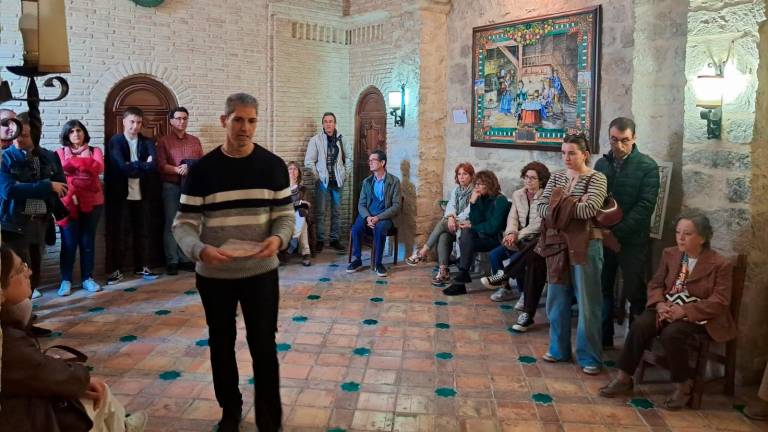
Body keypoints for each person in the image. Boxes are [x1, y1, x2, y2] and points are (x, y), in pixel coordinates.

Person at [173, 93, 293, 432]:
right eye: (238, 119)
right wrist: (199, 250)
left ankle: (269, 419)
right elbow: (183, 224)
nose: (245, 127)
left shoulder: (273, 166)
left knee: (264, 346)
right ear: (224, 120)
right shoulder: (202, 171)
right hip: (215, 274)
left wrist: (278, 239)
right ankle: (230, 409)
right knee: (221, 344)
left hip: (260, 272)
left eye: (252, 120)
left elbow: (284, 216)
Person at [0, 244, 148, 431]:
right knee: (95, 396)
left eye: (25, 265)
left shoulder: (10, 323)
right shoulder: (7, 340)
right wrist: (82, 380)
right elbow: (42, 371)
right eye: (20, 269)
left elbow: (35, 368)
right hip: (19, 414)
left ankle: (123, 426)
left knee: (92, 393)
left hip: (23, 397)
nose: (28, 272)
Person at [599, 212, 737, 410]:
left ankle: (683, 385)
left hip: (699, 315)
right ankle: (624, 378)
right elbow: (655, 284)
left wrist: (685, 311)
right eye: (678, 232)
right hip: (668, 306)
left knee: (672, 334)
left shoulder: (720, 264)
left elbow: (720, 301)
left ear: (702, 238)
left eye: (687, 234)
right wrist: (660, 304)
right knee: (640, 325)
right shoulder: (670, 254)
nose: (680, 238)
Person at [536, 133, 607, 375]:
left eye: (572, 153)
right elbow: (541, 208)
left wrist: (559, 205)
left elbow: (590, 209)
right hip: (558, 244)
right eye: (563, 153)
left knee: (588, 302)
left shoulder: (597, 178)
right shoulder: (556, 177)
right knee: (556, 297)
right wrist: (572, 203)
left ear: (584, 154)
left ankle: (589, 356)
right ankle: (558, 349)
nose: (566, 158)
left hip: (586, 244)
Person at [595, 117, 660, 349]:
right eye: (614, 140)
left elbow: (645, 206)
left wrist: (618, 233)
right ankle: (604, 338)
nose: (619, 145)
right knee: (603, 287)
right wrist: (604, 231)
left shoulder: (647, 166)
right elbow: (596, 199)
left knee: (634, 290)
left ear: (634, 139)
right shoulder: (601, 164)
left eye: (624, 140)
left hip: (632, 240)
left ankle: (635, 344)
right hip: (604, 236)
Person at [0, 112, 68, 300]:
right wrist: (47, 186)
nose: (17, 139)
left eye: (24, 135)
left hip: (40, 222)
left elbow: (62, 188)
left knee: (35, 273)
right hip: (14, 223)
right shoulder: (4, 158)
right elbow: (8, 191)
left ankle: (28, 312)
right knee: (16, 274)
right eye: (14, 134)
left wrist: (27, 187)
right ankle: (18, 313)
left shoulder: (50, 156)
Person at [482, 162, 550, 332]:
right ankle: (506, 288)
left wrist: (517, 235)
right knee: (495, 255)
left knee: (522, 259)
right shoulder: (518, 194)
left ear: (541, 180)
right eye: (526, 177)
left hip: (535, 240)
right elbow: (512, 218)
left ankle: (519, 290)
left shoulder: (545, 197)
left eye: (533, 178)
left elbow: (538, 225)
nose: (528, 181)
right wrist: (510, 233)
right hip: (518, 238)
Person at [104, 107, 159, 284]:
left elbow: (153, 166)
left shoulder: (147, 141)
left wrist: (133, 165)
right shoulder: (116, 141)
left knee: (143, 231)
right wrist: (142, 165)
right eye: (132, 122)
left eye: (139, 122)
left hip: (143, 193)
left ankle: (141, 266)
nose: (135, 126)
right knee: (119, 233)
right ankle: (116, 270)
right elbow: (122, 167)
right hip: (121, 194)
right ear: (124, 122)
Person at [55, 120, 104, 296]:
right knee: (68, 242)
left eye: (79, 130)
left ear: (84, 133)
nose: (76, 134)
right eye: (72, 131)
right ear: (66, 135)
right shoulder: (59, 152)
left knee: (87, 241)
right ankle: (66, 280)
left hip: (93, 202)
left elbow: (98, 168)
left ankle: (87, 278)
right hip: (69, 202)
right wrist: (85, 165)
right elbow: (60, 172)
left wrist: (73, 165)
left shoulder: (95, 150)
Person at [442, 170, 510, 296]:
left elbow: (493, 227)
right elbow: (475, 220)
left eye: (480, 184)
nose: (477, 187)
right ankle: (462, 275)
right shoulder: (480, 198)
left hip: (494, 239)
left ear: (489, 184)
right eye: (476, 184)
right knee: (466, 233)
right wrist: (472, 203)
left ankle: (461, 277)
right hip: (481, 236)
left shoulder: (501, 201)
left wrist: (473, 226)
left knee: (466, 239)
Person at [406, 162, 475, 286]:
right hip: (454, 223)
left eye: (465, 174)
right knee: (443, 235)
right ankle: (443, 271)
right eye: (459, 174)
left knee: (443, 224)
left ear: (471, 176)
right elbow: (451, 206)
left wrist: (453, 219)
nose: (461, 177)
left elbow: (469, 212)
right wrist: (451, 217)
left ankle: (423, 252)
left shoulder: (474, 192)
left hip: (467, 226)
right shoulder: (456, 190)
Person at [156, 107, 203, 275]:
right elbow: (160, 165)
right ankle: (172, 261)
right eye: (178, 118)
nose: (182, 121)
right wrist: (178, 170)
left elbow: (202, 163)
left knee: (187, 223)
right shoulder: (164, 141)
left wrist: (190, 167)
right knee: (172, 223)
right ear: (171, 121)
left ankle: (185, 259)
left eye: (184, 118)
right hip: (171, 186)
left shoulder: (195, 141)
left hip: (190, 188)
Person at [346, 150, 401, 277]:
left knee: (380, 228)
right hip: (368, 215)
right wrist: (368, 217)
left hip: (385, 216)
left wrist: (378, 218)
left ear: (382, 162)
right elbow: (361, 204)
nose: (370, 163)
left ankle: (378, 263)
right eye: (369, 160)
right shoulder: (367, 182)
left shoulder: (394, 181)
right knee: (356, 228)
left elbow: (396, 206)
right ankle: (357, 260)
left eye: (373, 160)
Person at [304, 112, 346, 253]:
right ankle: (320, 240)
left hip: (337, 181)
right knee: (321, 212)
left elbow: (349, 158)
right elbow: (309, 161)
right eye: (326, 121)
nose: (328, 124)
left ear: (335, 123)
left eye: (331, 121)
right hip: (322, 182)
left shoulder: (341, 139)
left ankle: (335, 239)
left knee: (337, 212)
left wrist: (345, 174)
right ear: (322, 124)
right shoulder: (315, 140)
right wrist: (318, 177)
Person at [284, 161, 312, 266]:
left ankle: (291, 247)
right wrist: (298, 203)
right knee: (302, 222)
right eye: (290, 168)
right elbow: (282, 206)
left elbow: (307, 206)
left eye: (295, 169)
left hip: (299, 215)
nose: (292, 171)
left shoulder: (303, 189)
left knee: (301, 215)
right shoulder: (282, 189)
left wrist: (300, 205)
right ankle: (306, 253)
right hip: (286, 216)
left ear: (298, 173)